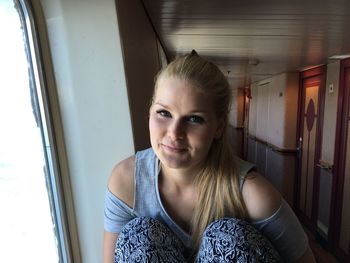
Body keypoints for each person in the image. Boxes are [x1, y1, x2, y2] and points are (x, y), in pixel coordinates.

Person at [103, 51, 316, 263]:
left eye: (194, 119)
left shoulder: (252, 194)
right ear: (150, 111)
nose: (174, 133)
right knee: (139, 235)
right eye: (164, 113)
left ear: (219, 127)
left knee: (228, 238)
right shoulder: (127, 181)